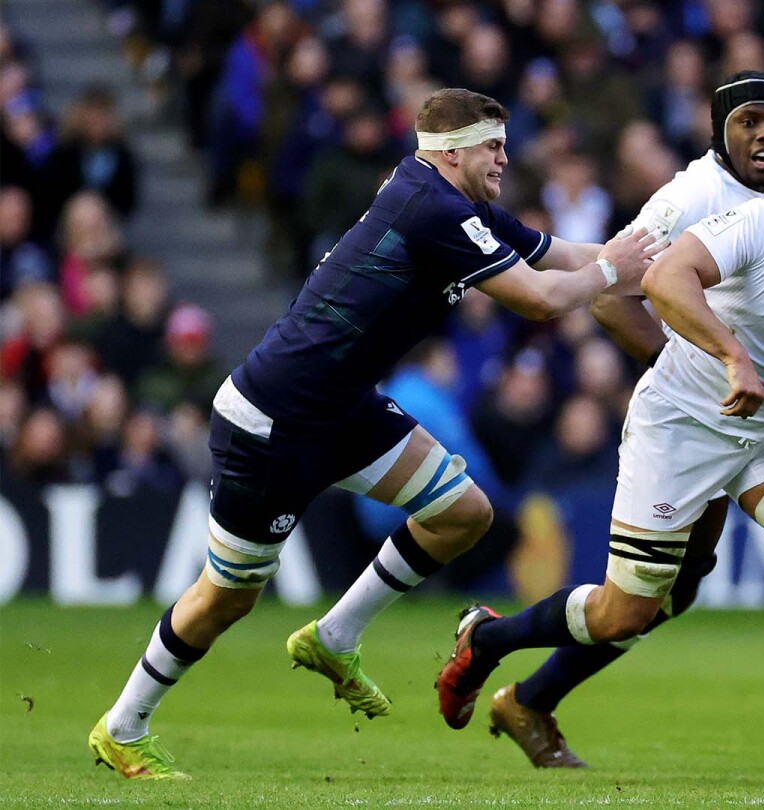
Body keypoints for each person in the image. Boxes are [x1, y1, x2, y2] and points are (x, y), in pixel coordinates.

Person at [86, 88, 658, 780]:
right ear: (450, 152)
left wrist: (651, 265)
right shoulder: (434, 209)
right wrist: (612, 272)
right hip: (277, 418)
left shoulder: (455, 204)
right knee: (227, 596)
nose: (505, 156)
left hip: (342, 408)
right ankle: (123, 725)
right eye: (491, 145)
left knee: (463, 512)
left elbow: (556, 254)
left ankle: (336, 634)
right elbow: (539, 299)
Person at [485, 71, 764, 771]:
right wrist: (729, 359)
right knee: (626, 612)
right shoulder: (748, 216)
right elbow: (648, 283)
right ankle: (489, 643)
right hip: (682, 426)